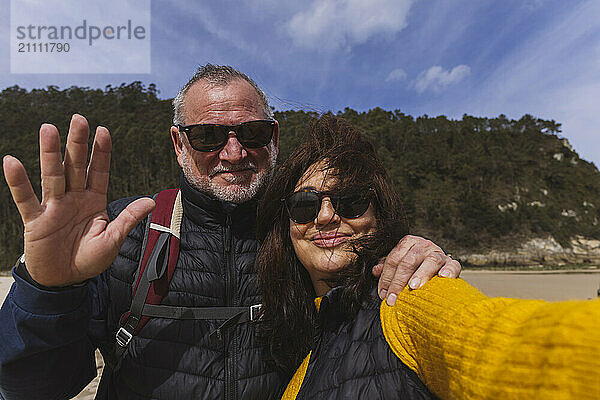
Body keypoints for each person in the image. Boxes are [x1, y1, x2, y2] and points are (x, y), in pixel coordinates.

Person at [0, 65, 461, 399]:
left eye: (252, 132)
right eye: (208, 136)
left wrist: (414, 253)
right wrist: (48, 289)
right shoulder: (122, 240)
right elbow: (29, 387)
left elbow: (368, 289)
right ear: (179, 143)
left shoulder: (307, 238)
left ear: (274, 137)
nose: (234, 152)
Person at [255, 115, 600, 399]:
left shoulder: (408, 299)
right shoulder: (302, 353)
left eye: (351, 200)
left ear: (380, 216)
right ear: (286, 226)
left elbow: (506, 344)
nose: (326, 216)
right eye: (304, 205)